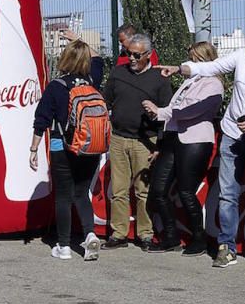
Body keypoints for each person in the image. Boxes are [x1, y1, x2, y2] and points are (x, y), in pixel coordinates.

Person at [161, 23, 245, 268]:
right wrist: (180, 68)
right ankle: (226, 247)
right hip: (231, 132)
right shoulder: (242, 56)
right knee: (228, 193)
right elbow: (212, 66)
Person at [142, 42, 223, 255]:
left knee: (186, 191)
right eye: (190, 58)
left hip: (195, 140)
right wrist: (157, 112)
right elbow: (173, 108)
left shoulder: (213, 84)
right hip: (173, 136)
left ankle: (199, 238)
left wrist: (163, 112)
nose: (190, 64)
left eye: (194, 59)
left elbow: (193, 110)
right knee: (158, 190)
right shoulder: (188, 82)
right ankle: (171, 237)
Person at [30, 38, 104, 261]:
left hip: (61, 146)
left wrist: (33, 149)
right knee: (81, 193)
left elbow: (41, 120)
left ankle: (63, 246)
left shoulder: (57, 86)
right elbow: (98, 57)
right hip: (90, 146)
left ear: (65, 59)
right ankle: (90, 233)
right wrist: (78, 40)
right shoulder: (93, 80)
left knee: (63, 196)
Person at [101, 33, 171, 249]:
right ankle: (119, 233)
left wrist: (159, 144)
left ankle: (145, 234)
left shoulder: (160, 79)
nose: (131, 58)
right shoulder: (118, 73)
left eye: (136, 55)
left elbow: (168, 114)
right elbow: (106, 101)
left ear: (148, 55)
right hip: (119, 138)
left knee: (143, 191)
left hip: (145, 141)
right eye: (127, 53)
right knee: (119, 190)